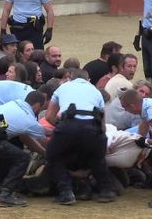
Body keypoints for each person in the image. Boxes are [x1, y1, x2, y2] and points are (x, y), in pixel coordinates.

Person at [45, 69, 116, 205]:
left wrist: (61, 127)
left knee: (53, 156)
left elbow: (49, 116)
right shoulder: (95, 91)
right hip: (93, 127)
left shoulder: (63, 87)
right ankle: (106, 190)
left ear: (70, 78)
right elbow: (103, 125)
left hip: (68, 125)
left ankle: (66, 192)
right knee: (97, 159)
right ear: (88, 79)